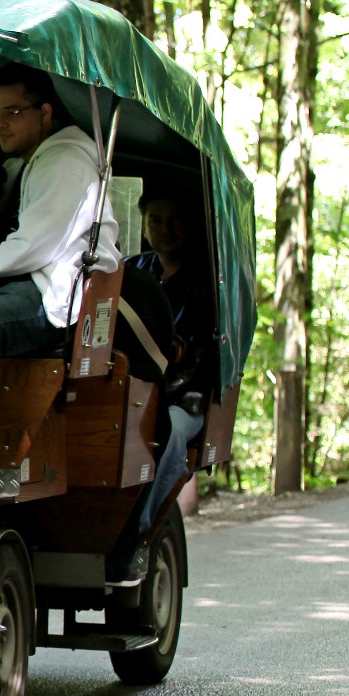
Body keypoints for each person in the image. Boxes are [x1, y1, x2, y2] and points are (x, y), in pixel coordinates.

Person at [0, 62, 119, 488]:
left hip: (57, 294)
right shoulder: (34, 161)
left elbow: (33, 247)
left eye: (13, 112)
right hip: (38, 280)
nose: (0, 124)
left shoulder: (62, 161)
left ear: (44, 113)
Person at [114, 190, 219, 573]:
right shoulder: (132, 271)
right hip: (130, 388)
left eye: (173, 220)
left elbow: (199, 357)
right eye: (155, 220)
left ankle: (140, 534)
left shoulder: (207, 282)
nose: (164, 229)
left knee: (169, 431)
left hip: (182, 397)